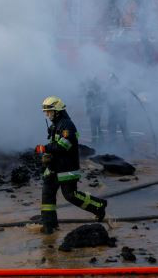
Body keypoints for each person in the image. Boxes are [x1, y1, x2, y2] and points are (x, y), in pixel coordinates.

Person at [36, 96, 107, 234]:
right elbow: (55, 147)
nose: (47, 114)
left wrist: (44, 149)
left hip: (67, 168)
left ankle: (98, 206)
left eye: (49, 112)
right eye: (46, 112)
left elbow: (64, 146)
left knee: (70, 195)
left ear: (57, 111)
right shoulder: (55, 125)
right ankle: (49, 225)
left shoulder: (67, 126)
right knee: (47, 194)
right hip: (54, 167)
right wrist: (47, 158)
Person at [106, 74, 130, 149]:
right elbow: (108, 100)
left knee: (124, 130)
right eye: (111, 80)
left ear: (116, 80)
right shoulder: (109, 88)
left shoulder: (121, 88)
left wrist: (123, 109)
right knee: (112, 130)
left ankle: (130, 147)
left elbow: (124, 100)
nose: (111, 81)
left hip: (120, 113)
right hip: (112, 113)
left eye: (113, 80)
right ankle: (113, 147)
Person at [84, 77, 104, 144]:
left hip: (96, 112)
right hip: (93, 112)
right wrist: (88, 109)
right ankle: (96, 141)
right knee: (95, 127)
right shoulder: (90, 92)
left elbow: (100, 101)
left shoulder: (97, 92)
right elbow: (87, 102)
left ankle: (98, 141)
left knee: (96, 126)